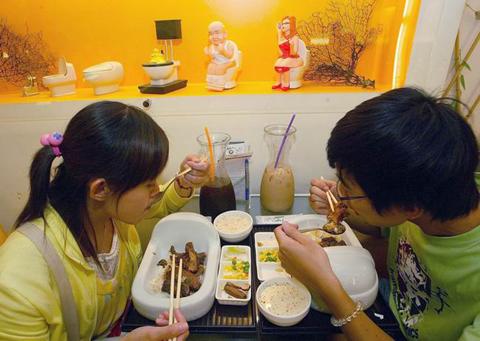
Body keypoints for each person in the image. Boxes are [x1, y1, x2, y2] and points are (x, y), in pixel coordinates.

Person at [274, 87, 480, 340]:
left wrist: (325, 286)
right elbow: (383, 224)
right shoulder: (429, 190)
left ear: (410, 208)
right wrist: (342, 208)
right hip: (387, 304)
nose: (338, 192)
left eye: (347, 189)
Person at [0, 101, 210, 340]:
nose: (157, 189)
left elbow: (158, 204)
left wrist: (184, 182)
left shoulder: (108, 212)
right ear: (100, 188)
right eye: (149, 183)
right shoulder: (15, 284)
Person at [272, 16, 304, 91]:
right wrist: (279, 32)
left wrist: (291, 46)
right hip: (285, 57)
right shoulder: (282, 37)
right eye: (283, 23)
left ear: (291, 25)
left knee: (284, 64)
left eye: (286, 23)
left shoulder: (295, 37)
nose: (283, 25)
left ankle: (286, 83)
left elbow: (294, 53)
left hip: (295, 58)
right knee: (277, 64)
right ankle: (278, 82)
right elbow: (280, 54)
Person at [204, 21, 237, 91]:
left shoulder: (229, 44)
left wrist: (223, 51)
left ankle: (220, 83)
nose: (214, 36)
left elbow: (230, 56)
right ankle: (212, 83)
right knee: (210, 67)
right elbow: (212, 58)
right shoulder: (211, 46)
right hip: (217, 63)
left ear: (225, 34)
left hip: (229, 62)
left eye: (217, 33)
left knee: (220, 68)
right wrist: (208, 53)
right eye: (211, 34)